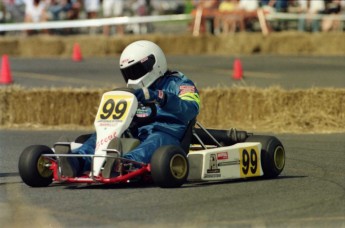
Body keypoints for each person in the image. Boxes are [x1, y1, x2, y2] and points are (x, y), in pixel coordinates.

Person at [59, 40, 201, 177]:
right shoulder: (135, 92)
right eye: (129, 73)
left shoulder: (179, 83)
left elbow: (191, 109)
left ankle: (123, 164)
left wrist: (160, 97)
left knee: (155, 140)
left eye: (136, 70)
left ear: (153, 64)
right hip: (137, 130)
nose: (132, 77)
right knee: (104, 136)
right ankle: (78, 160)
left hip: (167, 132)